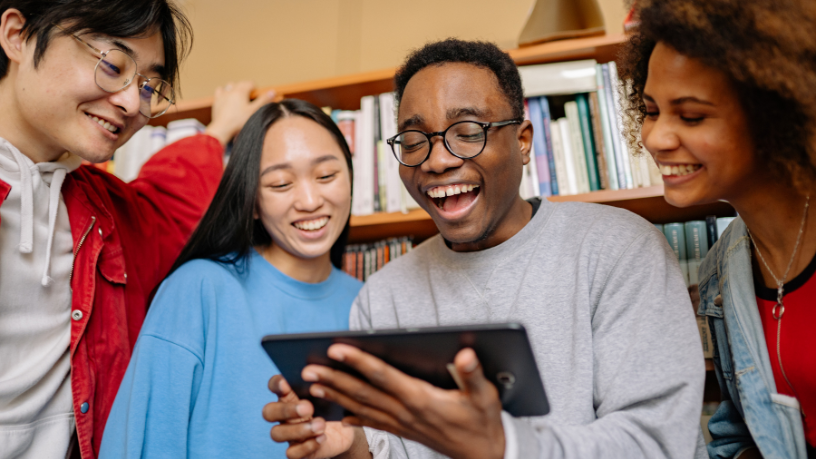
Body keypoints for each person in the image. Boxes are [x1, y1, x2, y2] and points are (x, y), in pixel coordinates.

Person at [263, 38, 707, 459]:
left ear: (523, 141)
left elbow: (656, 441)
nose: (437, 161)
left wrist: (500, 444)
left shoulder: (619, 250)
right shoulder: (382, 297)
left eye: (468, 131)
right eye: (415, 141)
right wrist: (348, 446)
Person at [0, 0, 275, 457]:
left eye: (150, 85)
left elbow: (172, 203)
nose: (132, 102)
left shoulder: (106, 213)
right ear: (16, 35)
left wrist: (219, 131)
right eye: (112, 64)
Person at [98, 99, 363, 458]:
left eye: (327, 176)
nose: (310, 200)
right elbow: (142, 444)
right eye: (281, 184)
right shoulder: (200, 288)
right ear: (252, 202)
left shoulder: (370, 303)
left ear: (350, 179)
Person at [618, 0, 816, 458]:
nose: (656, 138)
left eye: (691, 116)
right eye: (650, 110)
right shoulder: (722, 271)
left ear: (776, 114)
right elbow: (743, 436)